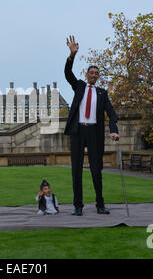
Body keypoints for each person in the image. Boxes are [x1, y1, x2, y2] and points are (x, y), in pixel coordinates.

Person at [64, 35, 119, 216]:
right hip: (78, 132)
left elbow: (111, 113)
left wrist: (113, 131)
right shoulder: (79, 86)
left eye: (97, 74)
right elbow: (68, 74)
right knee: (76, 172)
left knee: (96, 171)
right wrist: (71, 55)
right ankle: (77, 206)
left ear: (98, 77)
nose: (94, 76)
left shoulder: (102, 93)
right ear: (87, 75)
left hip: (95, 133)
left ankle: (100, 204)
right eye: (91, 73)